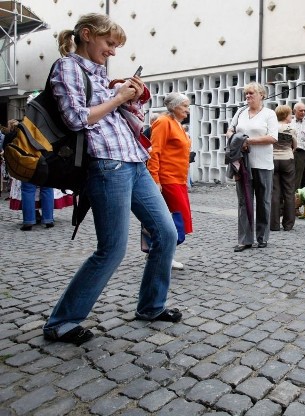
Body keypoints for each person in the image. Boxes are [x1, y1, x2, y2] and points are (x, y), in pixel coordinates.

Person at [42, 13, 182, 346]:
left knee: (166, 232)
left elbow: (117, 118)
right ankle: (61, 321)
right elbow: (76, 119)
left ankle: (151, 306)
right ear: (87, 35)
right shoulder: (68, 67)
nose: (113, 51)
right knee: (112, 249)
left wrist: (129, 97)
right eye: (110, 44)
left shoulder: (100, 73)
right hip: (106, 165)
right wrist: (118, 98)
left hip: (134, 161)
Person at [226, 82, 278, 251]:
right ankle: (245, 239)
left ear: (261, 95)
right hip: (243, 164)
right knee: (243, 202)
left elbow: (272, 137)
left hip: (263, 163)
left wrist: (247, 141)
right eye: (246, 94)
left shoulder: (269, 114)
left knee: (263, 201)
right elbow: (230, 131)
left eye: (251, 93)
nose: (248, 96)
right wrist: (236, 140)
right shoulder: (240, 112)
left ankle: (262, 237)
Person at [147, 92, 193, 270]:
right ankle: (164, 254)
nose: (188, 110)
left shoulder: (177, 124)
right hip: (167, 179)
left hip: (178, 178)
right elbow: (154, 151)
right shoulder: (163, 122)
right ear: (174, 106)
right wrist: (155, 179)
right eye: (185, 106)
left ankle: (159, 251)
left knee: (177, 218)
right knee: (174, 219)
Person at [270, 105, 297, 231]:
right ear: (285, 115)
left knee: (275, 192)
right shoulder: (291, 128)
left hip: (273, 159)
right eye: (290, 114)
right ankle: (288, 224)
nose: (291, 116)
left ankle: (274, 224)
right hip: (287, 159)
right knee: (289, 192)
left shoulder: (272, 127)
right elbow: (295, 145)